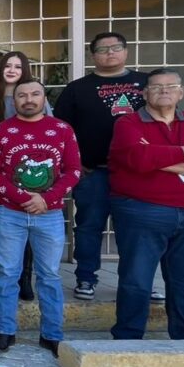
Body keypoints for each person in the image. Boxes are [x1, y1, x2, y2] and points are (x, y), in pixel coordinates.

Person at [109, 69, 184, 340]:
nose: (164, 91)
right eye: (156, 87)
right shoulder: (128, 124)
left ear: (181, 92)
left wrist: (160, 160)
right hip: (143, 210)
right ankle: (128, 338)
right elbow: (136, 158)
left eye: (170, 86)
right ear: (144, 93)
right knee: (136, 279)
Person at [0, 80, 81, 357]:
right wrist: (24, 198)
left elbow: (73, 171)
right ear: (13, 101)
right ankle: (5, 332)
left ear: (43, 97)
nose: (28, 99)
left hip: (49, 215)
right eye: (21, 95)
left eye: (35, 94)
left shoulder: (62, 130)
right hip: (9, 213)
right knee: (7, 274)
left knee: (49, 275)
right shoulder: (0, 131)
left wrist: (46, 200)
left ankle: (51, 335)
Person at [54, 32, 150, 302]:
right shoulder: (77, 88)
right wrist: (73, 163)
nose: (110, 53)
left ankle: (136, 282)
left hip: (135, 173)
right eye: (103, 49)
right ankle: (86, 278)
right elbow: (61, 129)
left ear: (126, 51)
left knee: (136, 230)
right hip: (92, 171)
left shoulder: (145, 83)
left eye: (116, 47)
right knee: (88, 227)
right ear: (92, 55)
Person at [0, 51, 46, 298]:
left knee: (28, 226)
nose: (12, 70)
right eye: (7, 65)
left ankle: (25, 279)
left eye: (18, 66)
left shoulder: (34, 98)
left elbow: (47, 130)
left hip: (28, 174)